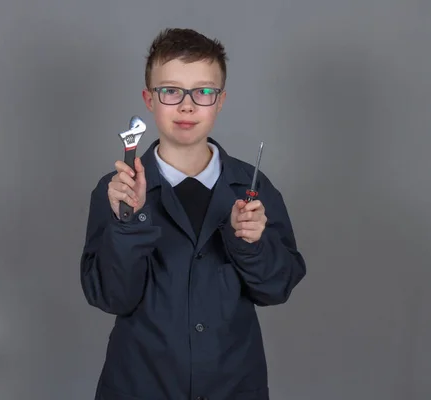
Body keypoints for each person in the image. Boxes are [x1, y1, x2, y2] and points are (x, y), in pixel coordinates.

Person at [80, 28, 307, 400]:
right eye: (171, 91)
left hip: (233, 385)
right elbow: (111, 297)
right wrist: (130, 221)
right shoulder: (117, 190)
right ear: (149, 99)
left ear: (220, 101)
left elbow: (276, 288)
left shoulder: (253, 187)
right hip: (138, 385)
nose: (187, 106)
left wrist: (248, 243)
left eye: (203, 92)